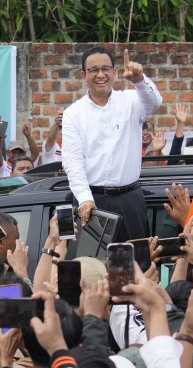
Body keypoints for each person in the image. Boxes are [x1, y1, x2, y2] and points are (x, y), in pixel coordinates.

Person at [62, 47, 162, 241]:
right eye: (93, 70)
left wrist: (139, 81)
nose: (101, 75)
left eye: (106, 69)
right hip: (92, 201)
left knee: (136, 264)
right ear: (83, 75)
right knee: (93, 267)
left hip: (130, 199)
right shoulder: (73, 114)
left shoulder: (131, 101)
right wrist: (84, 198)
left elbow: (155, 103)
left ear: (115, 72)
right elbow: (72, 161)